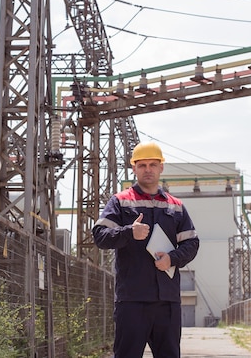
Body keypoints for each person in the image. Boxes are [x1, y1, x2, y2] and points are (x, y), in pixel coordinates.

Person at [92, 141, 200, 358]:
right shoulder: (120, 202)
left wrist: (172, 258)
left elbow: (192, 243)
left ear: (161, 167)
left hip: (167, 302)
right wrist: (128, 232)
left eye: (153, 164)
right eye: (142, 165)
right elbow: (100, 236)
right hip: (132, 300)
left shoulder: (175, 206)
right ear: (134, 168)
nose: (148, 169)